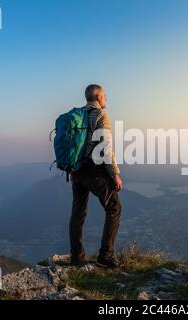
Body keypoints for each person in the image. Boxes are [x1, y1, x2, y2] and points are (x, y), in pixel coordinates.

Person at [69, 84, 123, 268]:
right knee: (114, 208)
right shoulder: (101, 116)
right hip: (94, 169)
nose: (106, 99)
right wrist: (115, 175)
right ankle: (106, 256)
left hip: (75, 170)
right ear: (98, 97)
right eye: (105, 96)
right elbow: (106, 149)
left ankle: (76, 257)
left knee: (78, 213)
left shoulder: (76, 115)